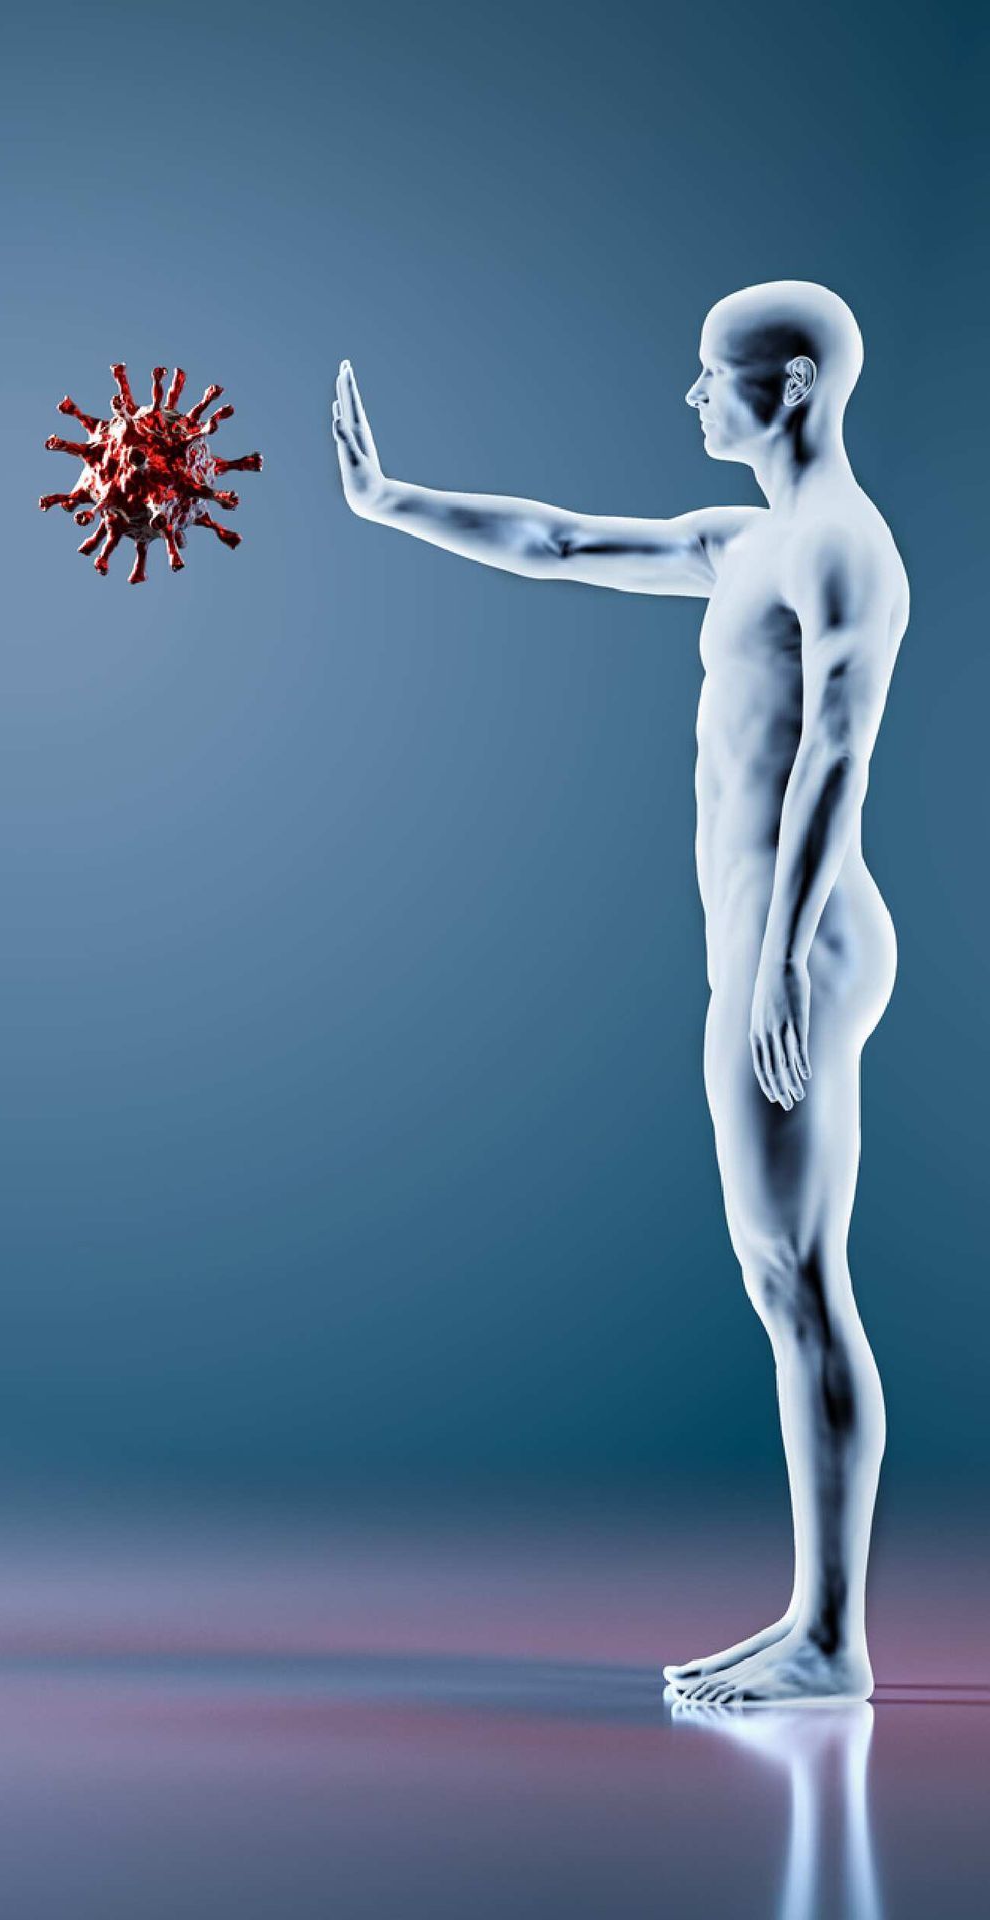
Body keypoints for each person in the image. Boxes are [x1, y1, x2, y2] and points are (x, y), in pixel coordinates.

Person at [332, 282, 905, 1704]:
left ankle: (833, 1641)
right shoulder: (755, 542)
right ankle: (812, 1623)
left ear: (787, 387)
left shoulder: (842, 548)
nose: (690, 397)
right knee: (779, 1278)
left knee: (799, 1280)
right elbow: (563, 539)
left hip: (803, 946)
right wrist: (387, 499)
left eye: (712, 376)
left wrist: (775, 957)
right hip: (767, 945)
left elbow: (839, 756)